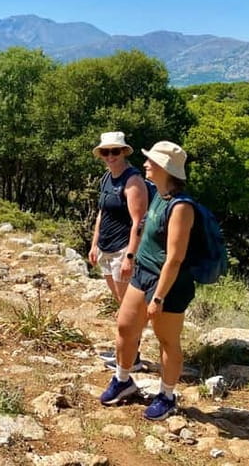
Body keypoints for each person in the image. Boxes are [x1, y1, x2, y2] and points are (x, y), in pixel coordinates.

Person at [99, 141, 196, 421]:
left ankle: (166, 396)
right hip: (143, 274)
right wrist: (131, 256)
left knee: (167, 341)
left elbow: (175, 259)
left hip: (169, 284)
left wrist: (159, 297)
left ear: (165, 169)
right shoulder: (158, 195)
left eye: (150, 162)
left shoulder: (181, 207)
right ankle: (123, 380)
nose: (145, 165)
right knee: (125, 326)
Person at [88, 132, 149, 370]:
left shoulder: (133, 181)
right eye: (106, 152)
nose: (110, 156)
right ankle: (124, 352)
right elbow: (102, 213)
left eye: (115, 151)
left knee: (128, 308)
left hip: (123, 249)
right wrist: (94, 244)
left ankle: (130, 357)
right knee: (121, 303)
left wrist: (130, 257)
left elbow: (139, 222)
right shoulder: (106, 179)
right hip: (105, 248)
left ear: (124, 152)